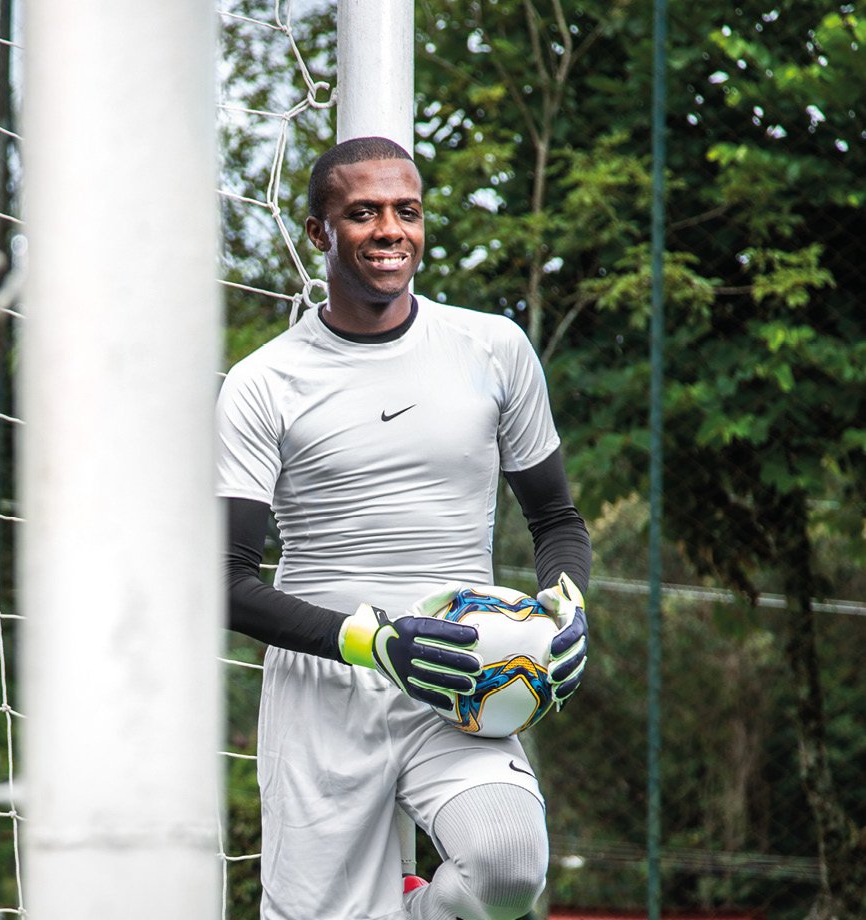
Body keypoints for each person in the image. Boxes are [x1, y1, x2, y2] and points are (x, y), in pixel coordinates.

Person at [217, 135, 592, 920]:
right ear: (320, 232)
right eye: (363, 213)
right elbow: (224, 584)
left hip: (463, 680)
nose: (390, 229)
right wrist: (377, 642)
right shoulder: (264, 383)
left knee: (507, 868)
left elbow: (556, 518)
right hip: (326, 689)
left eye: (406, 211)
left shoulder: (492, 348)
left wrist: (568, 607)